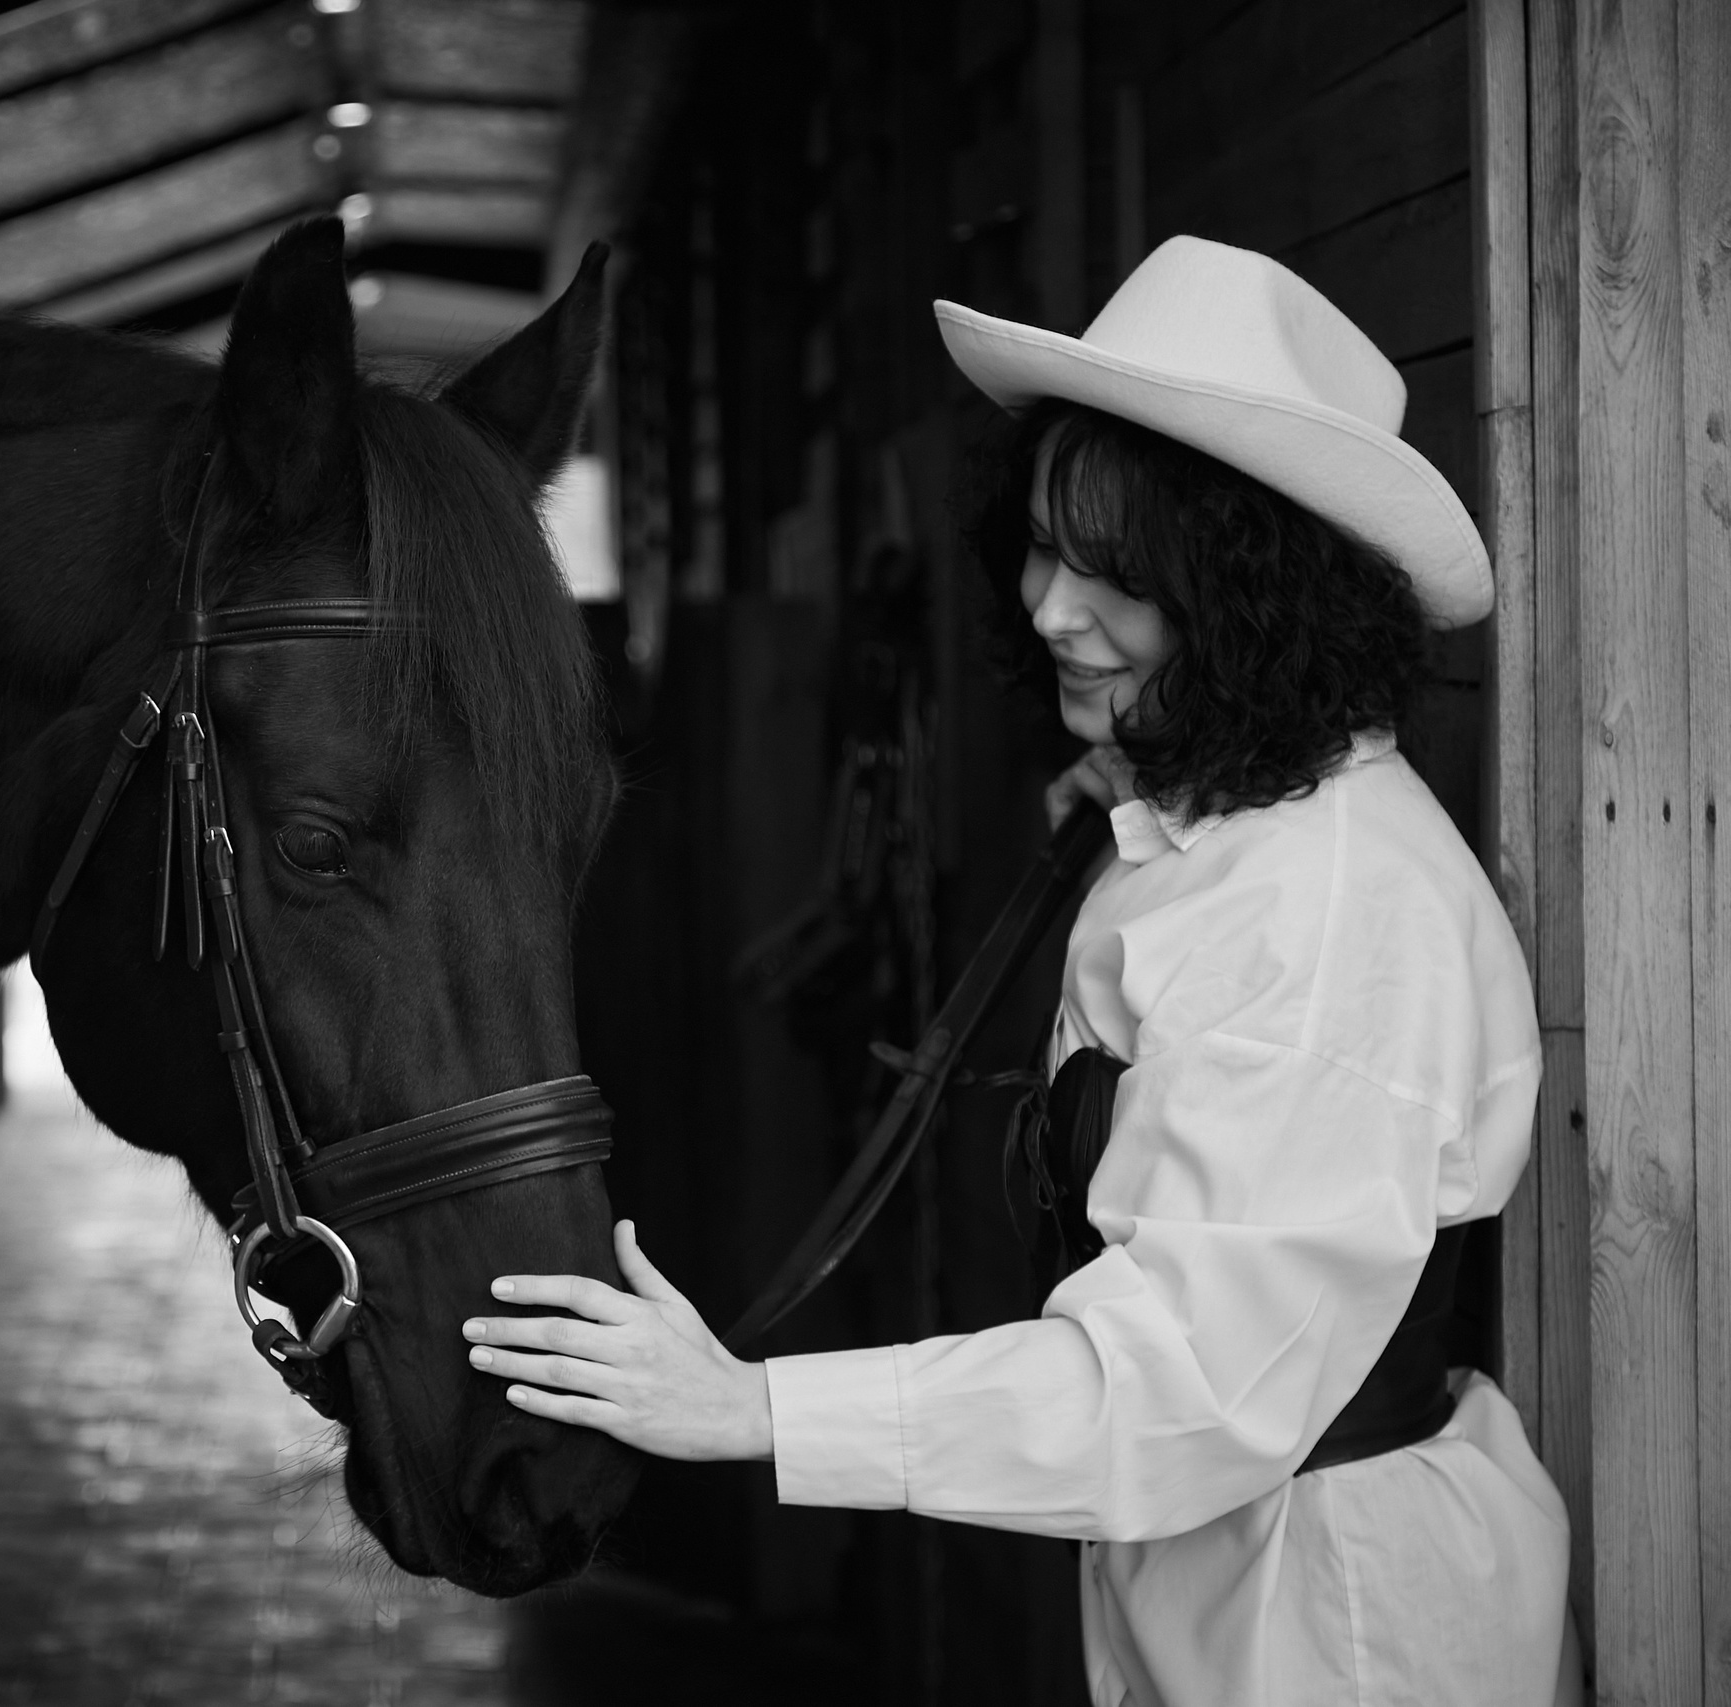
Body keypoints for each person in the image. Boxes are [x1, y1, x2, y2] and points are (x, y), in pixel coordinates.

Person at [460, 237, 1577, 1707]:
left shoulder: (1327, 920)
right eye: (1046, 547)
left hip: (1334, 1628)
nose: (1052, 608)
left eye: (1117, 574)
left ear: (1254, 599)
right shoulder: (1226, 821)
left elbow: (1174, 1390)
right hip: (1229, 1586)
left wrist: (747, 1412)